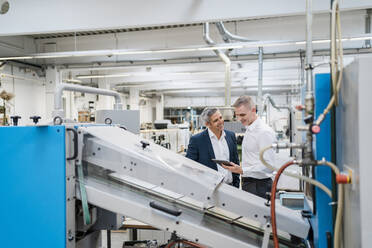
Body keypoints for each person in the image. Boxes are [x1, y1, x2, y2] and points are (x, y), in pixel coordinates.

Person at [222, 96, 276, 198]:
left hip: (260, 185)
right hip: (250, 182)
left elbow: (268, 166)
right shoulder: (249, 128)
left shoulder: (264, 132)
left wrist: (242, 170)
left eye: (242, 115)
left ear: (253, 110)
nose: (239, 119)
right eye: (237, 115)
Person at [186, 107, 240, 188]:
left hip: (231, 187)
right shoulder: (197, 140)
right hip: (209, 189)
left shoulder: (230, 136)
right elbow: (189, 166)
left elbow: (235, 161)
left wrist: (236, 184)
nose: (221, 122)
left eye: (221, 118)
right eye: (216, 120)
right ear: (207, 124)